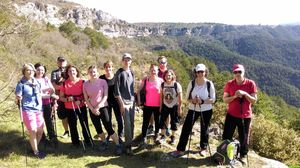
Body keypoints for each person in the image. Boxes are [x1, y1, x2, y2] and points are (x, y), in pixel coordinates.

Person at [170, 64, 216, 157]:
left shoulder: (209, 83)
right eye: (198, 72)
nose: (200, 73)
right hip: (193, 109)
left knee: (204, 129)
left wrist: (202, 101)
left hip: (206, 110)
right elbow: (187, 98)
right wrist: (193, 100)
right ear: (195, 72)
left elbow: (213, 99)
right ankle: (180, 150)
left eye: (202, 72)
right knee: (186, 128)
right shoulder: (192, 83)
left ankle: (203, 148)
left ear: (205, 72)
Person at [222, 64, 257, 164]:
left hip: (245, 116)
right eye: (235, 72)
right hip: (231, 114)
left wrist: (245, 94)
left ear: (243, 72)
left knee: (244, 137)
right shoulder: (230, 83)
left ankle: (243, 155)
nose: (237, 74)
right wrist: (234, 97)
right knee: (226, 135)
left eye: (239, 72)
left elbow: (254, 100)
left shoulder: (250, 84)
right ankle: (225, 153)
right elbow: (225, 99)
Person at [83, 65, 122, 155]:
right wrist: (92, 108)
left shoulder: (103, 82)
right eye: (91, 72)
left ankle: (118, 145)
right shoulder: (85, 84)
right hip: (92, 109)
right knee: (98, 128)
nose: (93, 73)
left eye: (94, 71)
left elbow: (105, 96)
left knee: (108, 127)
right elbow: (86, 98)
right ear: (88, 73)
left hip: (103, 108)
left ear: (97, 72)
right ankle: (104, 142)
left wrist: (98, 107)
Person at [15, 63, 46, 159]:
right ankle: (36, 151)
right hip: (27, 109)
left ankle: (33, 147)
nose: (30, 72)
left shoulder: (37, 83)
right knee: (33, 130)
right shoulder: (21, 84)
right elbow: (17, 97)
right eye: (28, 70)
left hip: (38, 109)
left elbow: (40, 94)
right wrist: (18, 98)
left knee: (40, 131)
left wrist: (52, 96)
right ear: (24, 72)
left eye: (32, 70)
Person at [59, 65, 91, 147]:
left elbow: (87, 96)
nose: (72, 72)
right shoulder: (64, 83)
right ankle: (75, 142)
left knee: (84, 124)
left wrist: (81, 101)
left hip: (81, 106)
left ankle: (88, 140)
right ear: (67, 73)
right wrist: (67, 99)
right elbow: (61, 97)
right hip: (70, 107)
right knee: (72, 125)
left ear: (76, 72)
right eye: (70, 71)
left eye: (73, 70)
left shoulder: (83, 82)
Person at [114, 53, 135, 155]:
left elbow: (132, 88)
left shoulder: (131, 71)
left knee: (131, 123)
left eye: (129, 59)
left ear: (131, 61)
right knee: (127, 124)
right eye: (125, 59)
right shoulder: (119, 72)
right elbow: (116, 91)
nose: (127, 61)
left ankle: (130, 142)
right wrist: (121, 105)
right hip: (124, 103)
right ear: (122, 61)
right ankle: (128, 147)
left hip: (132, 101)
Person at [138, 64, 163, 145]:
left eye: (155, 70)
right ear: (149, 71)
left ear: (157, 71)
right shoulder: (146, 80)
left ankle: (157, 136)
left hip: (158, 105)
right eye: (152, 70)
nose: (153, 72)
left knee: (157, 122)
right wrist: (139, 101)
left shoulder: (161, 81)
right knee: (145, 122)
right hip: (147, 105)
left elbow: (164, 93)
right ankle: (144, 137)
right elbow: (139, 91)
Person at [99, 61, 123, 142]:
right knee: (108, 120)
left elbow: (121, 89)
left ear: (112, 67)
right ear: (104, 68)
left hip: (117, 101)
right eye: (106, 67)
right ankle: (110, 134)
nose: (108, 68)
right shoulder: (101, 78)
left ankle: (120, 135)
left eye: (110, 67)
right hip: (106, 102)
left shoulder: (117, 77)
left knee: (119, 119)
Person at [34, 63, 58, 144]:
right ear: (35, 70)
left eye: (42, 70)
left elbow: (52, 89)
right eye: (38, 70)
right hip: (37, 104)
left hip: (47, 103)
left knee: (49, 120)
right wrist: (47, 93)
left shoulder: (46, 79)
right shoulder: (33, 80)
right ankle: (42, 138)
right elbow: (37, 94)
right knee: (39, 121)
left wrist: (48, 91)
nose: (40, 71)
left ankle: (52, 137)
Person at [158, 69, 182, 145]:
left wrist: (179, 108)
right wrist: (160, 106)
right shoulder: (162, 85)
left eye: (169, 75)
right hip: (165, 105)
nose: (168, 77)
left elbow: (180, 98)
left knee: (174, 122)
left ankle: (173, 137)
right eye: (166, 75)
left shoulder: (176, 85)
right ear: (164, 76)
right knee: (162, 121)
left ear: (172, 76)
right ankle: (162, 136)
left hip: (174, 105)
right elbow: (161, 97)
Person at [51, 56, 69, 138]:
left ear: (66, 62)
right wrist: (63, 87)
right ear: (57, 62)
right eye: (60, 61)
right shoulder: (54, 72)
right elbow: (54, 85)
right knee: (62, 115)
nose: (62, 62)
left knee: (72, 115)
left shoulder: (70, 70)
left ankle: (73, 131)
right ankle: (66, 131)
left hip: (70, 96)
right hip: (59, 97)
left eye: (63, 61)